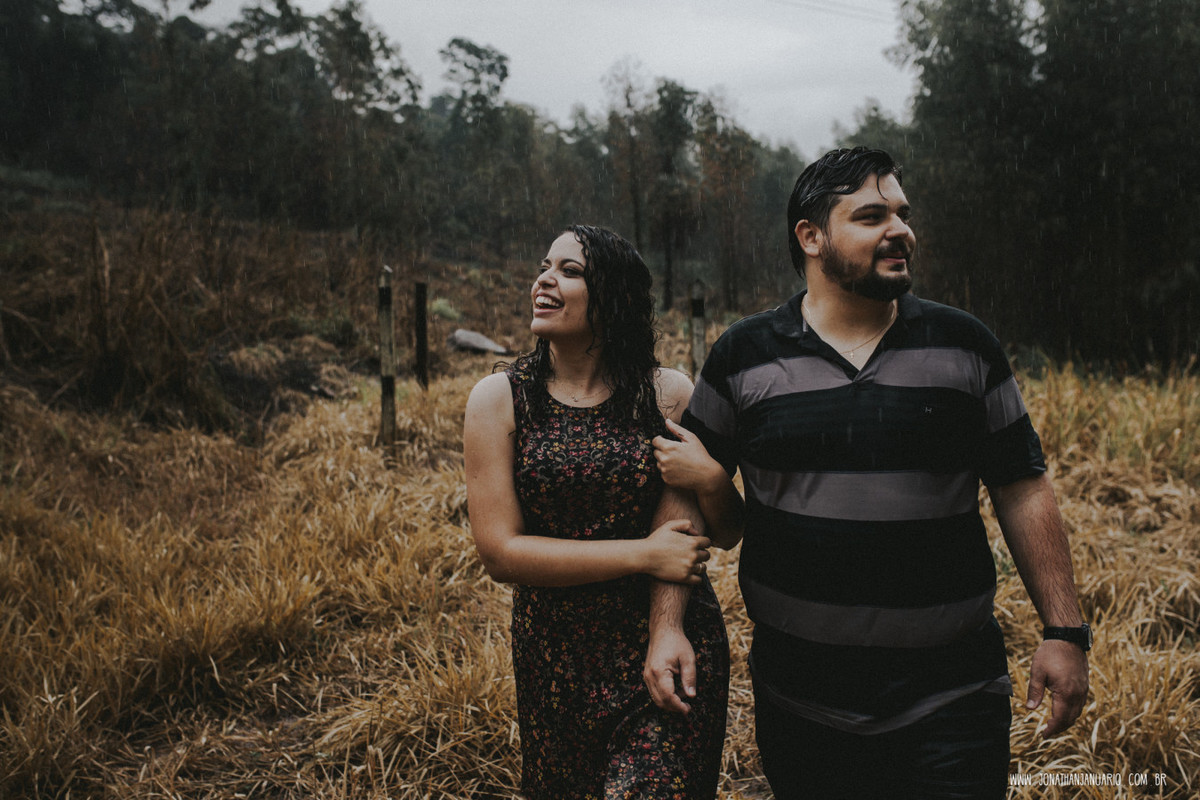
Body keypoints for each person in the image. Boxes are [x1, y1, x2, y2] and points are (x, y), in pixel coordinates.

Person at [647, 147, 1090, 799]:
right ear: (811, 236)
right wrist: (666, 627)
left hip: (954, 703)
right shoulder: (743, 356)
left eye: (903, 215)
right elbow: (683, 495)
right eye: (872, 215)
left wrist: (1064, 631)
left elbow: (1022, 488)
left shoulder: (965, 346)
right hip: (800, 706)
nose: (901, 230)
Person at [462, 224, 733, 799]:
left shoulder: (667, 395)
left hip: (664, 644)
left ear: (614, 297)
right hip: (555, 658)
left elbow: (703, 530)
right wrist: (643, 554)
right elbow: (501, 552)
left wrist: (667, 624)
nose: (545, 279)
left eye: (570, 270)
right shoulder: (499, 399)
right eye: (544, 266)